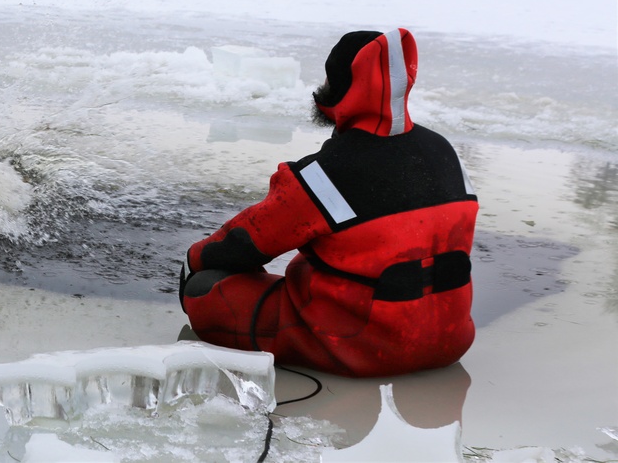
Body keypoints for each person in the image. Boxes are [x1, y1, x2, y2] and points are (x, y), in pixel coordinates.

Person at [179, 28, 478, 377]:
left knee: (203, 288)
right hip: (449, 340)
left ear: (342, 87)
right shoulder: (444, 151)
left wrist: (194, 260)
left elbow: (245, 242)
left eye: (328, 77)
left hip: (360, 345)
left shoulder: (328, 172)